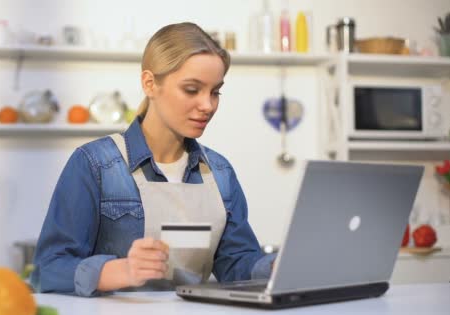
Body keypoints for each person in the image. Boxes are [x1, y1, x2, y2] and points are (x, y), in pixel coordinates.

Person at [31, 22, 276, 297]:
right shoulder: (95, 164)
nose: (207, 105)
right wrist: (120, 271)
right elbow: (48, 269)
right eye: (192, 90)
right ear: (150, 83)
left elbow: (236, 264)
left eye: (215, 91)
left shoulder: (220, 172)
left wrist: (276, 267)